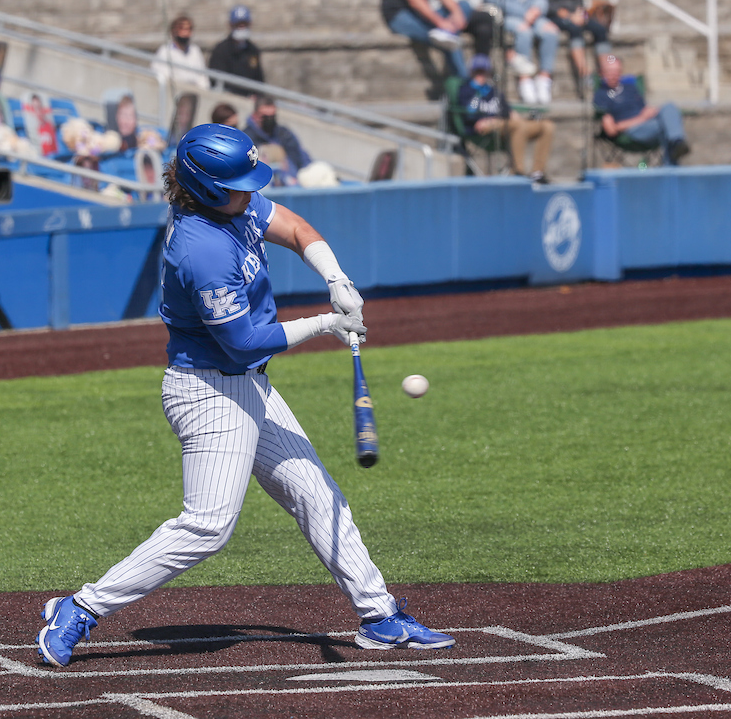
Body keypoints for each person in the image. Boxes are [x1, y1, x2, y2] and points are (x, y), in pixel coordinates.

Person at [35, 124, 455, 667]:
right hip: (209, 391)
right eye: (237, 184)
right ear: (207, 188)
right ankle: (78, 609)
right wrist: (328, 322)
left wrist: (335, 277)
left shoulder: (234, 207)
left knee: (317, 494)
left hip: (247, 384)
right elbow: (243, 343)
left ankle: (380, 616)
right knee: (207, 526)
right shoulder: (200, 248)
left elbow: (298, 229)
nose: (249, 192)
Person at [484, 0, 560, 104]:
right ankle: (524, 79)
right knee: (523, 32)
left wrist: (537, 9)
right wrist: (521, 12)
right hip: (510, 16)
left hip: (532, 15)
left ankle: (544, 78)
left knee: (551, 32)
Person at [457, 55, 554, 183]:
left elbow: (506, 110)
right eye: (477, 72)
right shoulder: (467, 90)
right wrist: (478, 92)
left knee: (547, 126)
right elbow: (470, 112)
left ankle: (537, 172)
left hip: (505, 124)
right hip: (483, 126)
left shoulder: (494, 91)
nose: (481, 75)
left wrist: (514, 114)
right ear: (472, 72)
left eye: (483, 72)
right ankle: (518, 172)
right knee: (517, 126)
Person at [594, 54, 690, 165]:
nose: (614, 75)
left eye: (616, 72)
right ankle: (671, 167)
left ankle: (677, 142)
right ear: (602, 73)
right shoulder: (601, 96)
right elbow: (612, 129)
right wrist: (642, 118)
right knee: (666, 126)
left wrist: (652, 112)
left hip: (648, 122)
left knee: (669, 107)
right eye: (610, 72)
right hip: (631, 131)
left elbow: (644, 109)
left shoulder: (630, 88)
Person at [243, 95, 312, 186]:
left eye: (272, 116)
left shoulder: (284, 134)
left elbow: (300, 157)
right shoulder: (246, 138)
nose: (269, 120)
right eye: (265, 117)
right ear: (255, 115)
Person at [208, 6, 265, 96]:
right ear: (231, 25)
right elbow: (216, 78)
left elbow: (259, 78)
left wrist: (256, 95)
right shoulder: (221, 50)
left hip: (250, 99)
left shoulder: (253, 50)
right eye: (238, 25)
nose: (241, 28)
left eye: (244, 25)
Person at [152, 15, 211, 90]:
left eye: (188, 29)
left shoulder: (195, 50)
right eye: (181, 29)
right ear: (174, 31)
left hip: (195, 93)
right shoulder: (165, 51)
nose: (185, 33)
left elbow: (203, 77)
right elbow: (162, 74)